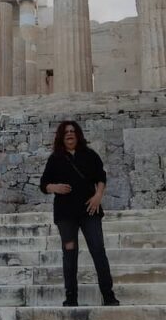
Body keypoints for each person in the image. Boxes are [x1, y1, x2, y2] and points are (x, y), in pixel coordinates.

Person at [39, 121, 119, 308]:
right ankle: (71, 297)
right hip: (66, 215)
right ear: (61, 136)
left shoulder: (89, 155)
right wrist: (54, 187)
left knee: (98, 251)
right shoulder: (55, 158)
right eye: (66, 132)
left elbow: (101, 177)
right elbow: (43, 184)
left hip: (90, 211)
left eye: (73, 131)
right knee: (69, 254)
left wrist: (98, 196)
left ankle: (108, 295)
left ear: (78, 134)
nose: (70, 134)